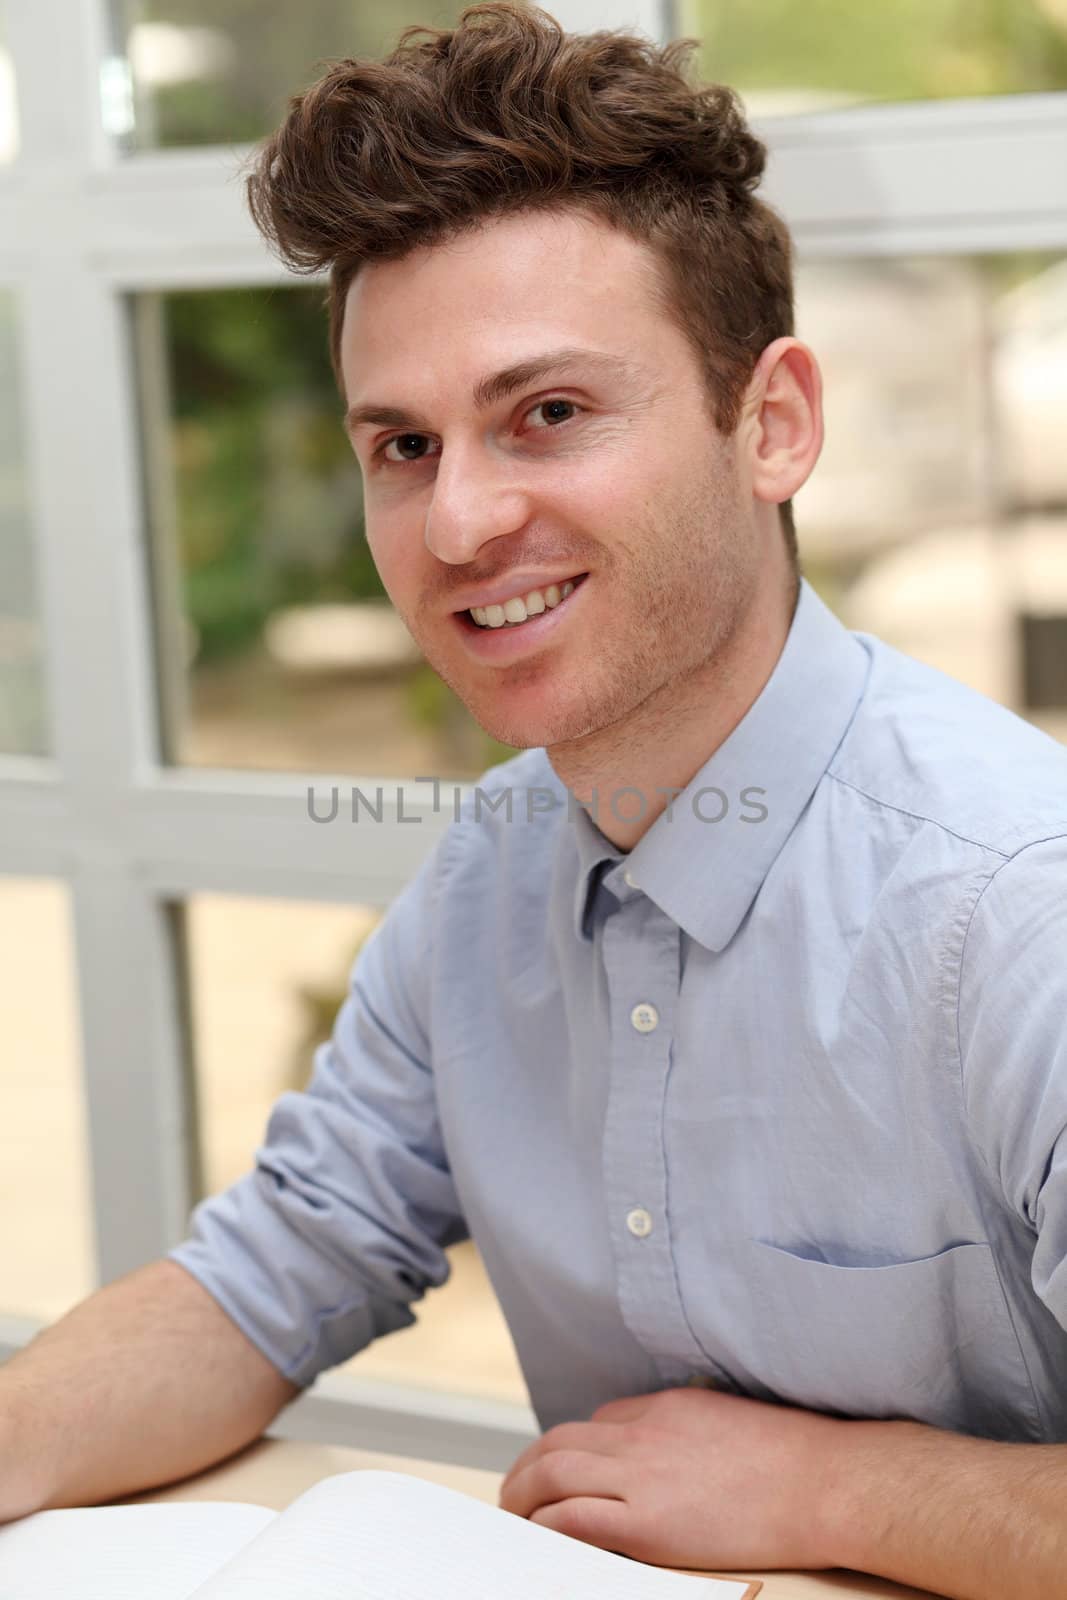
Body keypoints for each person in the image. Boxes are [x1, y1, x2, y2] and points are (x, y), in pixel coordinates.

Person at [2, 4, 1066, 1592]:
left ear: (771, 423)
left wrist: (846, 1496)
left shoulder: (1018, 907)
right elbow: (279, 1264)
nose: (460, 521)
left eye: (548, 415)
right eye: (403, 445)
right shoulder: (489, 879)